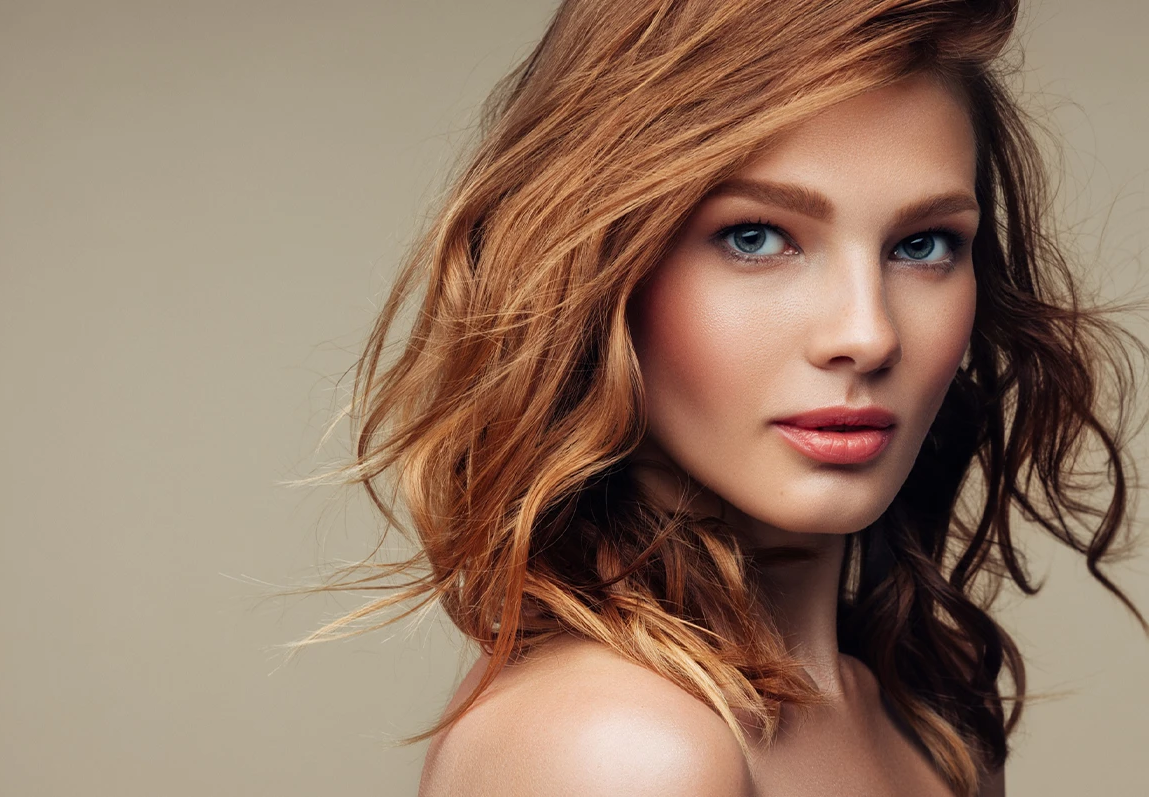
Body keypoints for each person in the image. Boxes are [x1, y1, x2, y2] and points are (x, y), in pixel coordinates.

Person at [287, 1, 1148, 795]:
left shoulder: (930, 722)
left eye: (923, 244)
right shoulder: (620, 747)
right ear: (601, 268)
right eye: (755, 235)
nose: (868, 333)